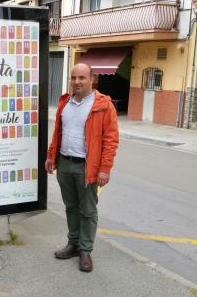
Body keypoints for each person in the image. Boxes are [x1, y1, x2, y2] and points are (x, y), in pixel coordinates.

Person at [45, 63, 119, 273]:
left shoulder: (103, 105)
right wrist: (51, 156)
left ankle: (85, 250)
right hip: (65, 163)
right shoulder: (64, 103)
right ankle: (73, 244)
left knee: (87, 210)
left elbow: (111, 141)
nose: (77, 81)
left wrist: (105, 169)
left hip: (88, 167)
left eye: (82, 78)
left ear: (91, 79)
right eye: (73, 77)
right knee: (70, 207)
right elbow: (58, 132)